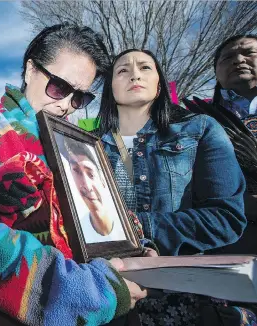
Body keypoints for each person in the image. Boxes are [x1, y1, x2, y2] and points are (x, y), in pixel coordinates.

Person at [0, 23, 147, 326]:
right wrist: (79, 292)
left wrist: (134, 246)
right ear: (30, 70)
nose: (66, 105)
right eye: (60, 87)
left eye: (80, 98)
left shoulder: (75, 142)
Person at [95, 49, 251, 325]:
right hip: (107, 296)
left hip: (185, 300)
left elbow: (227, 217)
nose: (134, 74)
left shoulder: (201, 128)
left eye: (145, 68)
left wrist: (139, 232)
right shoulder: (86, 145)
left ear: (159, 85)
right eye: (122, 70)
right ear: (110, 88)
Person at [209, 34, 257, 254]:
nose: (238, 60)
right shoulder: (196, 120)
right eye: (227, 58)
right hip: (229, 239)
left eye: (249, 53)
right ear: (217, 74)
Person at [61, 136, 126, 242]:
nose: (86, 185)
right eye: (76, 171)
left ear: (103, 178)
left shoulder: (126, 224)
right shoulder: (74, 234)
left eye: (91, 174)